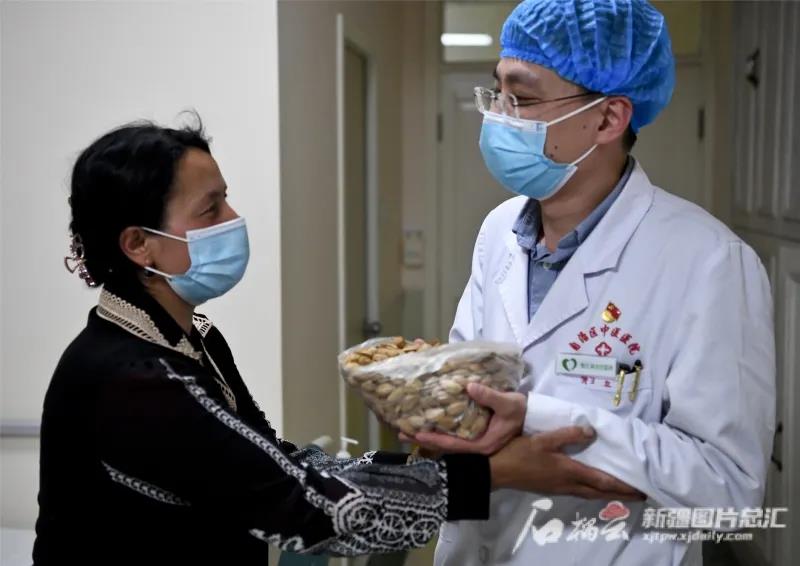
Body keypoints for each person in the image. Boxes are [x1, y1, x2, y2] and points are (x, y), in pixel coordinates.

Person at [33, 118, 640, 566]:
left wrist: (427, 464)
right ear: (138, 245)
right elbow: (308, 506)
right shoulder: (132, 379)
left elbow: (280, 462)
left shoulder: (194, 340)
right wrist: (491, 475)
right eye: (211, 209)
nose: (234, 219)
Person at [405, 1, 777, 565]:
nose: (498, 116)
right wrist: (428, 401)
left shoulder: (710, 262)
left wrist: (540, 418)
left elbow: (728, 489)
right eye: (497, 92)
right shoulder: (499, 231)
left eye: (522, 99)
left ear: (608, 119)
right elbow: (472, 390)